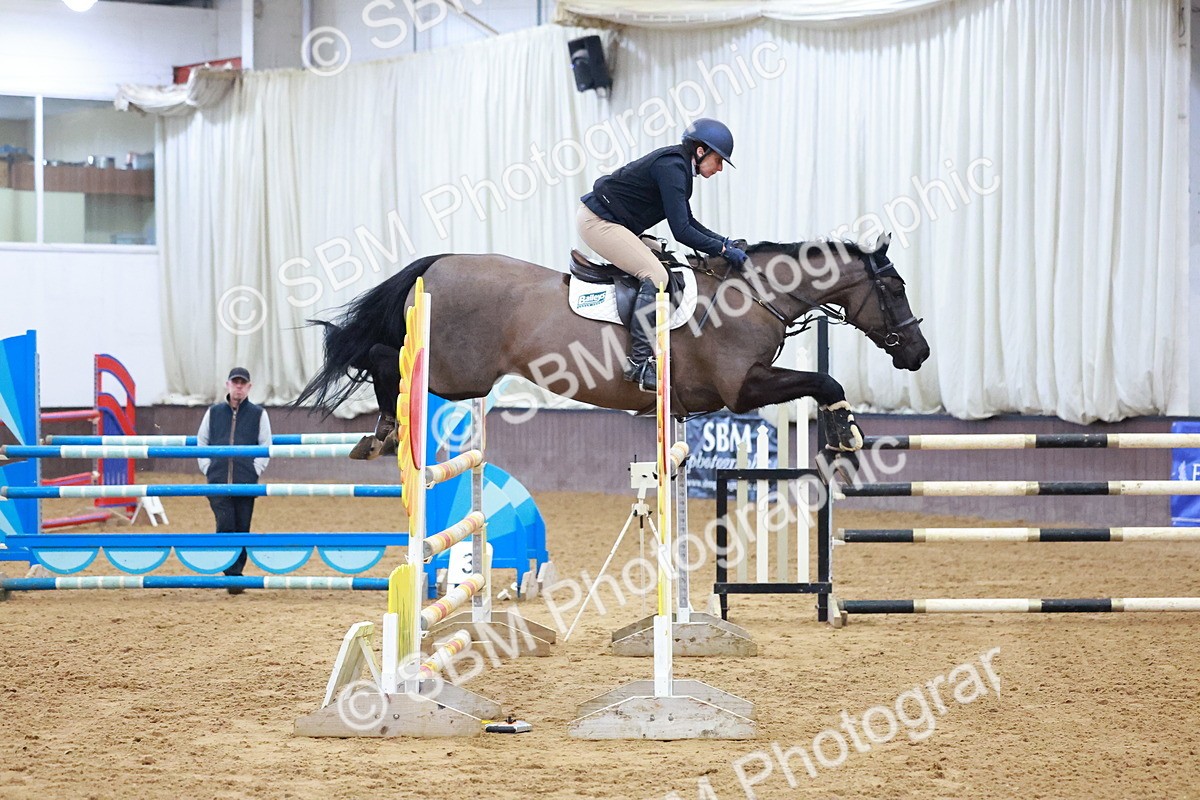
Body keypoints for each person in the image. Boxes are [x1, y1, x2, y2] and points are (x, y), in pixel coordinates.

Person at [578, 117, 748, 391]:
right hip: (598, 221)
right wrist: (723, 249)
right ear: (701, 150)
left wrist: (723, 242)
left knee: (668, 260)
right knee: (656, 275)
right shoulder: (673, 167)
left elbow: (689, 222)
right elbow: (682, 231)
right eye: (718, 160)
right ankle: (640, 361)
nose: (719, 168)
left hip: (615, 222)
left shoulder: (680, 167)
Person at [197, 367, 272, 594]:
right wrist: (208, 468)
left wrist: (255, 469)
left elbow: (265, 445)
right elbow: (202, 441)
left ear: (249, 387)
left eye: (243, 383)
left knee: (242, 527)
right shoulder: (213, 412)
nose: (239, 386)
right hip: (218, 479)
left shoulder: (259, 414)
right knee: (225, 524)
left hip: (245, 481)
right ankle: (232, 575)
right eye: (235, 382)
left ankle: (235, 574)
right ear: (228, 385)